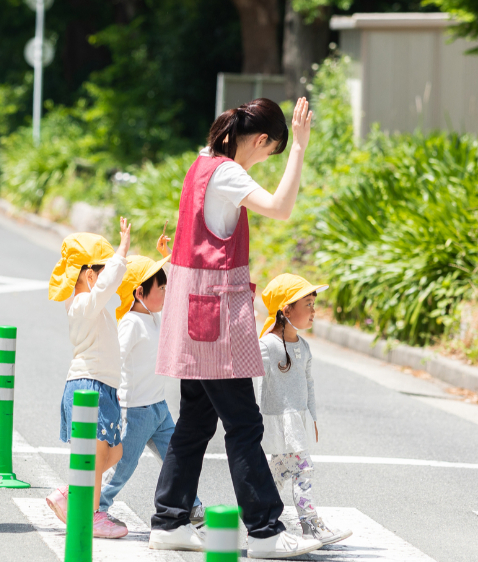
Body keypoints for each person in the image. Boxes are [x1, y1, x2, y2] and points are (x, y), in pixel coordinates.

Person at [148, 97, 324, 559]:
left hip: (192, 312)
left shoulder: (201, 164)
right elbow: (281, 208)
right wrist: (301, 148)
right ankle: (265, 530)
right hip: (215, 319)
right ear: (262, 140)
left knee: (196, 421)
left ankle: (169, 519)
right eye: (272, 152)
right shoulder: (227, 173)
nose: (268, 161)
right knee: (243, 424)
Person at [98, 230, 204, 523]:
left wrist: (164, 256)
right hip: (135, 410)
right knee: (123, 466)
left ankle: (193, 506)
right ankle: (95, 507)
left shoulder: (154, 315)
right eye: (161, 289)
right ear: (139, 293)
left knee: (178, 457)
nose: (166, 293)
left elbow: (167, 279)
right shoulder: (131, 323)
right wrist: (110, 396)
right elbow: (115, 359)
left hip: (158, 408)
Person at [45, 220, 132, 539]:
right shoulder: (82, 303)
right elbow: (108, 285)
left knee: (113, 452)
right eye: (103, 267)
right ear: (89, 274)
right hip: (87, 386)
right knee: (98, 454)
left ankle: (71, 493)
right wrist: (121, 251)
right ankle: (92, 514)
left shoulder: (90, 307)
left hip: (101, 387)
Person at [256, 274, 352, 547]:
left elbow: (308, 383)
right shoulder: (268, 346)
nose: (313, 311)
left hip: (297, 420)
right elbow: (255, 384)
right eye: (307, 304)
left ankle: (262, 518)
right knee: (302, 469)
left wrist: (313, 416)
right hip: (277, 420)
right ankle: (309, 525)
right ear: (286, 311)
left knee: (278, 473)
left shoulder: (304, 346)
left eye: (313, 304)